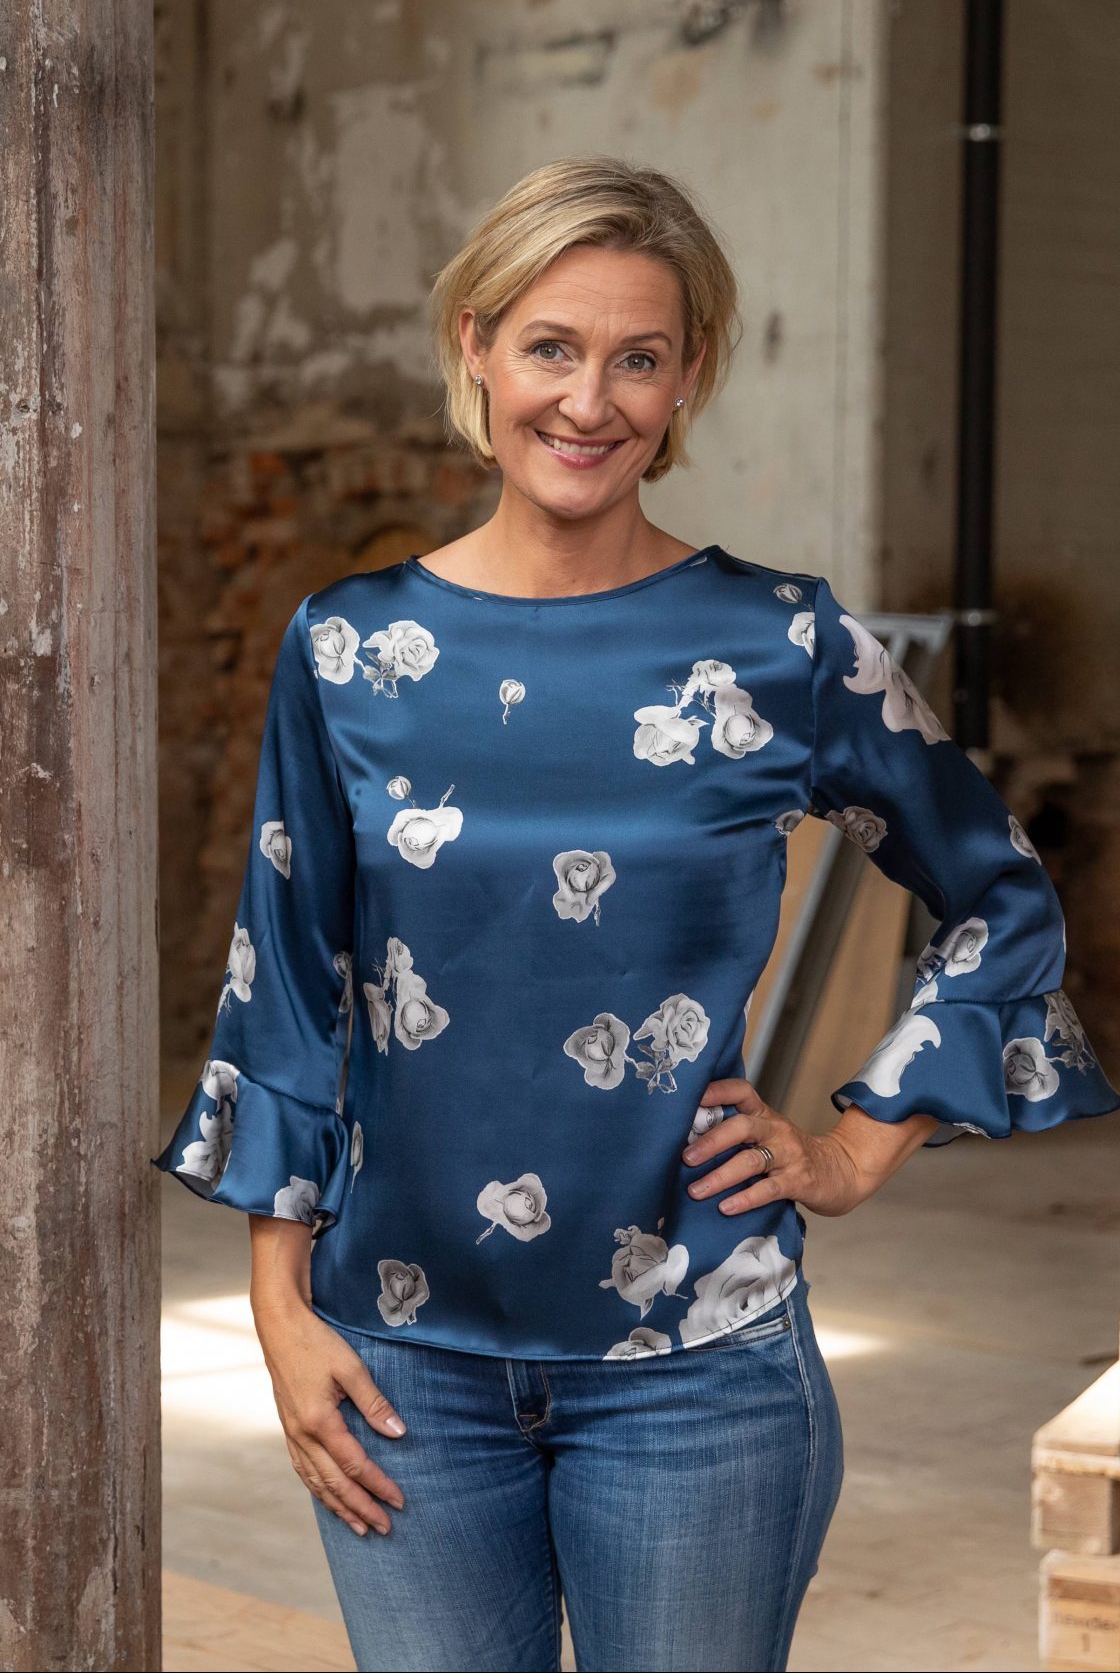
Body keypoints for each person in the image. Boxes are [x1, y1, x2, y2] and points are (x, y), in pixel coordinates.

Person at [153, 155, 1119, 1673]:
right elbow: (284, 979)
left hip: (699, 1369)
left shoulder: (782, 646)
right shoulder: (347, 650)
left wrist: (853, 1145)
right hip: (402, 1364)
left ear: (687, 381)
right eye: (551, 346)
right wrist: (277, 1308)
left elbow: (998, 896)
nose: (588, 401)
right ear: (476, 345)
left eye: (638, 358)